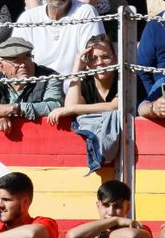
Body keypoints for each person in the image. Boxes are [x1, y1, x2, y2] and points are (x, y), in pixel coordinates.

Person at [15, 0, 106, 72]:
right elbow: (17, 60)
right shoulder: (27, 19)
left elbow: (93, 56)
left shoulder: (86, 12)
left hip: (76, 83)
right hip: (37, 85)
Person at [52, 35, 126, 170]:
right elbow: (70, 105)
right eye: (93, 59)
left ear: (114, 59)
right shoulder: (85, 82)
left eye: (105, 57)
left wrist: (73, 109)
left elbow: (114, 106)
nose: (99, 63)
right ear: (88, 63)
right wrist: (77, 69)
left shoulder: (124, 79)